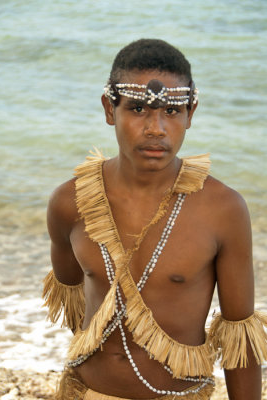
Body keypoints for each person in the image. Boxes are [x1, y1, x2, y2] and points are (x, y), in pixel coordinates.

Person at [43, 39, 267, 400]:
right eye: (137, 109)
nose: (156, 128)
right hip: (85, 392)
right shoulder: (70, 202)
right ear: (108, 108)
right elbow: (73, 302)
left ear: (190, 113)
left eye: (172, 111)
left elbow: (239, 337)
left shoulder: (223, 210)